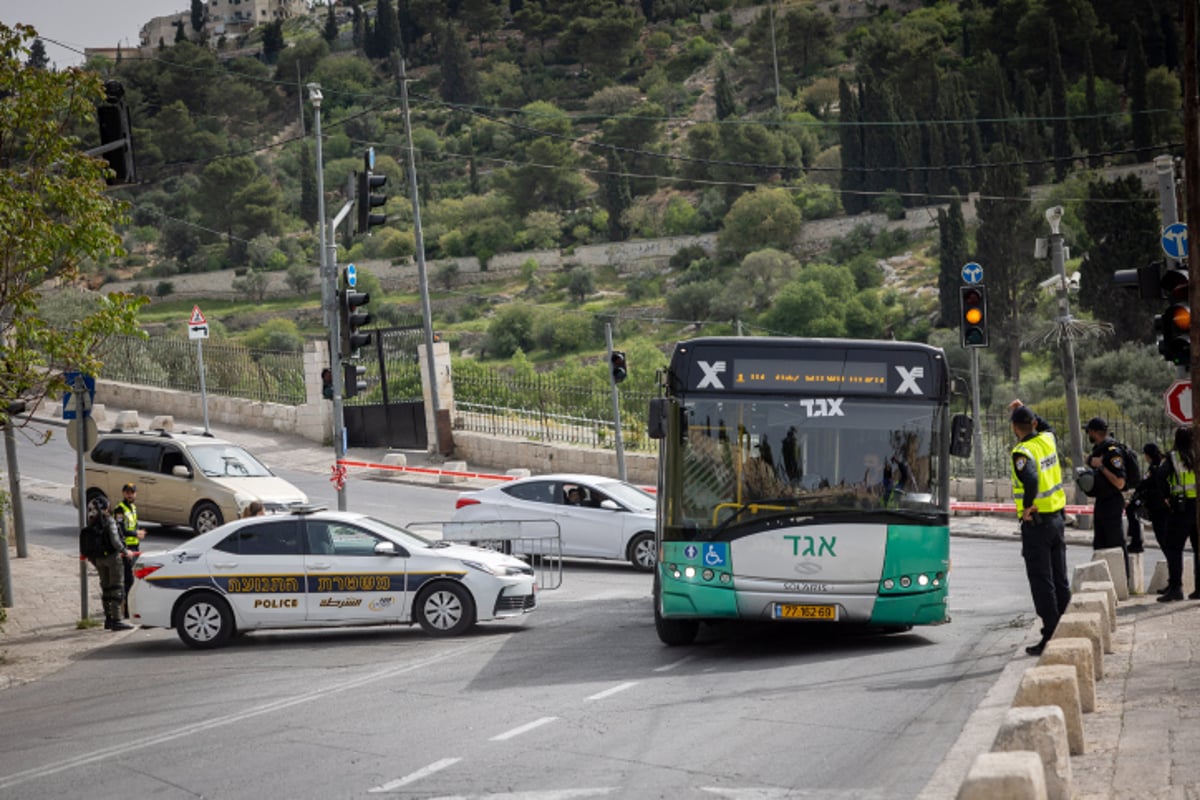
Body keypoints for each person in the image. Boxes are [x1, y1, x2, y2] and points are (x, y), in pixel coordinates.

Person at [1008, 400, 1070, 656]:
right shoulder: (1048, 440)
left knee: (1041, 581)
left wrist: (1027, 507)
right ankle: (1066, 627)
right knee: (1059, 578)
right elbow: (1046, 426)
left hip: (1038, 524)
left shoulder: (1022, 452)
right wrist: (1028, 409)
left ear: (1014, 427)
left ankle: (1051, 634)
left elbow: (1031, 478)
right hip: (1057, 520)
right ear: (1033, 423)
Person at [1159, 426, 1198, 602]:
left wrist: (1166, 496)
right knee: (1198, 549)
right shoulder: (1197, 456)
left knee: (1174, 548)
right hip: (1197, 507)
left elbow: (1160, 476)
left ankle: (1176, 588)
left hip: (1180, 507)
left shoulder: (1173, 457)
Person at [83, 497, 132, 631]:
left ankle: (108, 618)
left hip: (98, 559)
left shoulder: (92, 521)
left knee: (105, 589)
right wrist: (125, 551)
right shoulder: (109, 520)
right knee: (117, 588)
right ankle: (117, 619)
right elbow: (115, 541)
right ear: (106, 507)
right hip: (112, 558)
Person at [1083, 417, 1128, 556]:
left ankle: (1124, 576)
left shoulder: (1113, 452)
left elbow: (1120, 483)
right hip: (1102, 501)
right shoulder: (1100, 450)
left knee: (1115, 543)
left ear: (1095, 432)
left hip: (1112, 502)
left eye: (1089, 432)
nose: (1088, 435)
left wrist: (1101, 466)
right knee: (1100, 544)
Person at [1127, 443, 1168, 557]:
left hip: (1156, 505)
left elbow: (1145, 484)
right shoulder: (1162, 464)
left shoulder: (1154, 467)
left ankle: (1136, 542)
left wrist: (1135, 495)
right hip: (1162, 504)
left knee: (1131, 509)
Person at [113, 483, 146, 619]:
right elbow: (120, 530)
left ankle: (131, 606)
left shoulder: (133, 507)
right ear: (123, 493)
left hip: (135, 548)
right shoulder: (120, 509)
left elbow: (134, 524)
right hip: (126, 549)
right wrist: (135, 533)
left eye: (132, 492)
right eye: (127, 492)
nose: (129, 494)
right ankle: (126, 610)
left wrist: (139, 533)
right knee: (128, 580)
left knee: (133, 578)